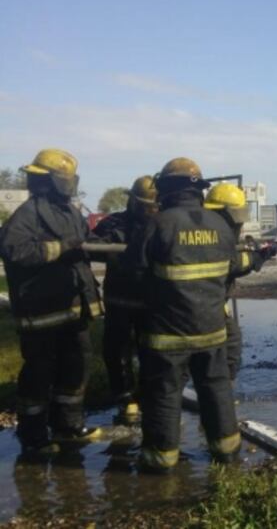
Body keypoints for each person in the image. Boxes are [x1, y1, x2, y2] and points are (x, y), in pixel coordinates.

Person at [125, 158, 243, 471]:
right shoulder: (220, 225)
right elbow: (231, 271)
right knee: (216, 390)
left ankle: (160, 464)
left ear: (166, 189)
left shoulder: (158, 225)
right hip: (213, 332)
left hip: (166, 337)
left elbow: (134, 275)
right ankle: (227, 455)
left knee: (163, 395)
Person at [0, 149, 102, 456]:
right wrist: (61, 248)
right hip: (41, 312)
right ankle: (33, 436)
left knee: (76, 367)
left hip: (73, 309)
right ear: (48, 180)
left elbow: (83, 241)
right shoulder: (28, 214)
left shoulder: (69, 211)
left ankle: (67, 426)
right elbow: (15, 251)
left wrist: (101, 247)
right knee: (39, 375)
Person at [92, 175, 158, 424]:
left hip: (151, 303)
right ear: (132, 201)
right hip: (119, 301)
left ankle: (150, 397)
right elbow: (93, 245)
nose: (147, 210)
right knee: (117, 353)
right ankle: (126, 400)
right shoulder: (114, 223)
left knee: (151, 351)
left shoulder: (164, 223)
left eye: (151, 206)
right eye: (143, 205)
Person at [203, 183, 277, 380]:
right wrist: (261, 255)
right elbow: (234, 263)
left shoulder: (202, 228)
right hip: (206, 307)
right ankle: (221, 394)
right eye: (235, 216)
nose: (239, 223)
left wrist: (258, 253)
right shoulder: (214, 234)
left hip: (195, 305)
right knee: (229, 345)